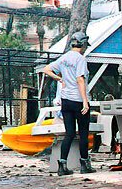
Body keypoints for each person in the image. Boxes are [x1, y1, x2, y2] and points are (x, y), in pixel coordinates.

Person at [40, 32, 93, 175]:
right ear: (82, 45)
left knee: (69, 133)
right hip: (78, 100)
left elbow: (46, 69)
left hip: (66, 101)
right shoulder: (80, 59)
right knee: (83, 133)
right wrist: (85, 102)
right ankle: (84, 164)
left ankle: (62, 165)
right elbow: (80, 80)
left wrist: (59, 79)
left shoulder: (64, 58)